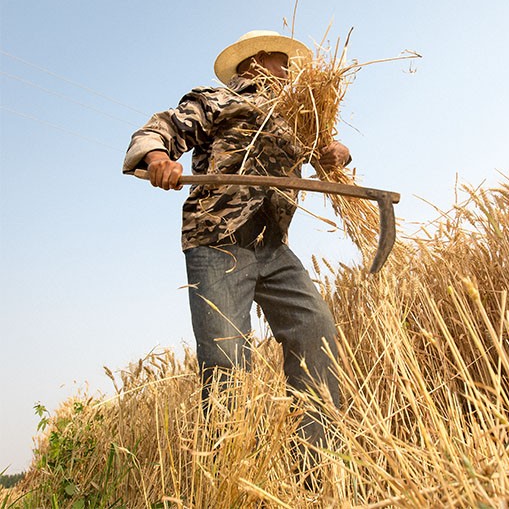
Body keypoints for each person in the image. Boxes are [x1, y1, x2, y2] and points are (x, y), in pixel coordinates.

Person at [122, 30, 348, 472]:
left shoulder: (295, 121)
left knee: (315, 329)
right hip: (218, 244)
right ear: (258, 62)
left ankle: (316, 467)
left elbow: (325, 155)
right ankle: (228, 474)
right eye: (283, 63)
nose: (290, 72)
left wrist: (336, 151)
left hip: (273, 249)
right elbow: (159, 129)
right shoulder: (215, 100)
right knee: (226, 359)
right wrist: (157, 159)